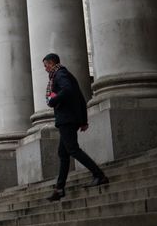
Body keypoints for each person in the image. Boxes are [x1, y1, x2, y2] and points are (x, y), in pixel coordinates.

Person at [43, 53, 109, 202]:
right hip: (69, 119)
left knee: (73, 150)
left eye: (46, 65)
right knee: (63, 153)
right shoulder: (64, 74)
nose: (45, 69)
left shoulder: (60, 74)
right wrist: (83, 120)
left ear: (52, 63)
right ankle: (59, 189)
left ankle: (99, 175)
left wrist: (53, 100)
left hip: (66, 120)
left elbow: (67, 91)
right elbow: (80, 97)